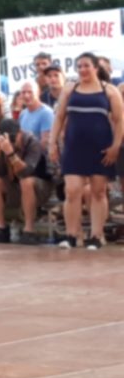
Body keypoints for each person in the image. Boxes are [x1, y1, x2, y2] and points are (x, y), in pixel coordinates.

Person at [49, 52, 123, 250]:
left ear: (95, 68)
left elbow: (119, 121)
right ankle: (71, 235)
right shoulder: (70, 89)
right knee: (72, 190)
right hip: (74, 147)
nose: (82, 69)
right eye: (79, 66)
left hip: (101, 147)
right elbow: (59, 117)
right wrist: (52, 143)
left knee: (98, 192)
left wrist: (115, 146)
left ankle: (96, 236)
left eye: (86, 65)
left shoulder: (110, 91)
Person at [0, 119, 52, 244]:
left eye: (13, 137)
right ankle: (1, 229)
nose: (11, 142)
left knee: (26, 181)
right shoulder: (2, 144)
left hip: (41, 187)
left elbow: (26, 172)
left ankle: (29, 230)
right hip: (16, 186)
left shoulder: (32, 143)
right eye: (9, 138)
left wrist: (10, 153)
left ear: (20, 133)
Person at [19, 80, 54, 150]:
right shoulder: (22, 114)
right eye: (23, 92)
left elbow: (46, 144)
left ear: (38, 93)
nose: (26, 95)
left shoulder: (46, 113)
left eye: (30, 92)